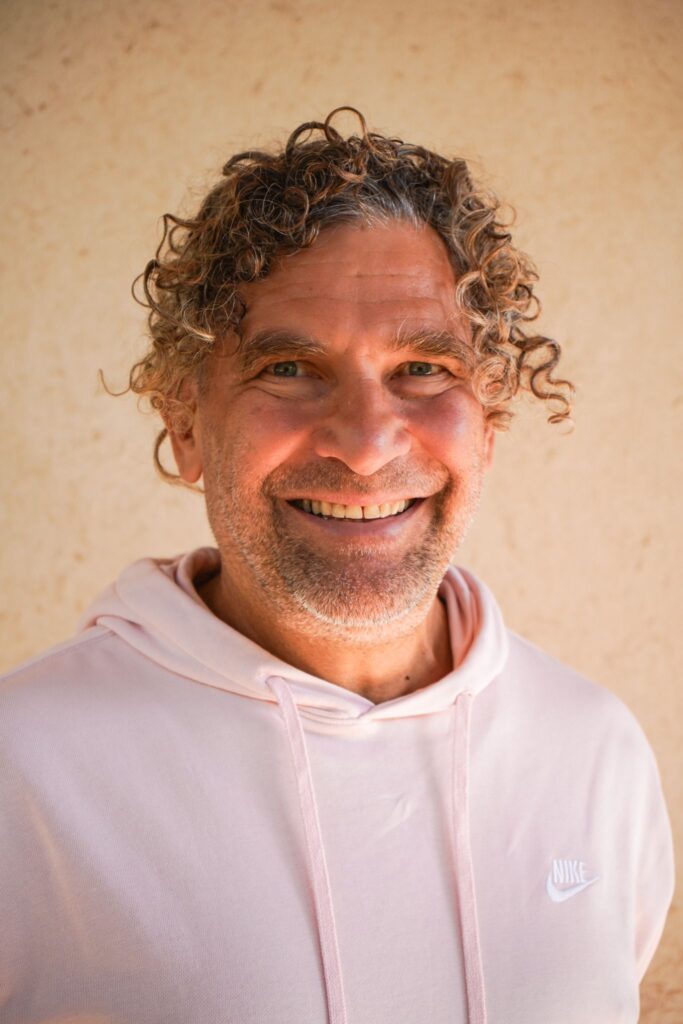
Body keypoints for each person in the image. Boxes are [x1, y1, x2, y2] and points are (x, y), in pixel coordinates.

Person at [0, 108, 674, 1024]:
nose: (364, 445)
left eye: (423, 369)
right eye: (288, 368)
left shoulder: (594, 750)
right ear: (185, 420)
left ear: (490, 416)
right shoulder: (24, 768)